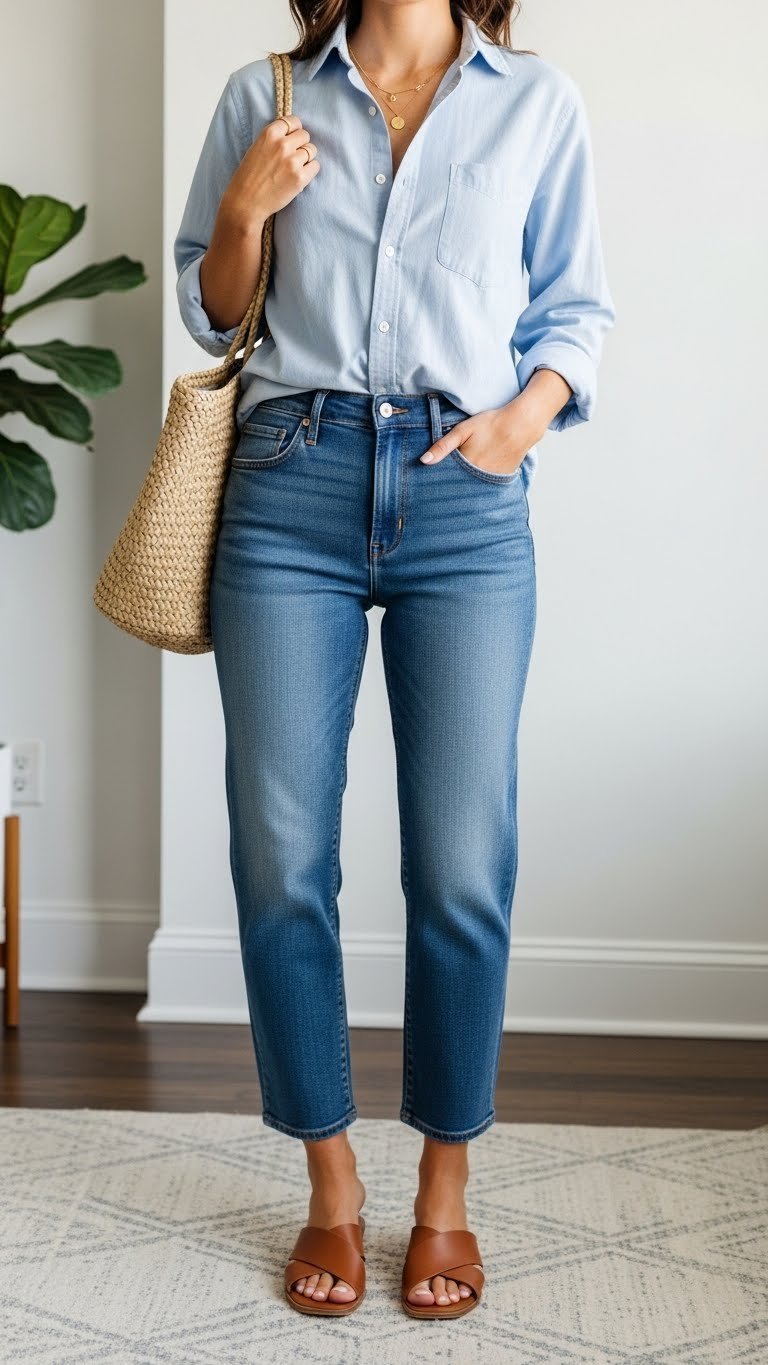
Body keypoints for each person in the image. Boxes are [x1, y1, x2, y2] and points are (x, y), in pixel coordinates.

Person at [174, 0, 616, 1321]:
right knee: (279, 848)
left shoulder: (538, 104)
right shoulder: (265, 94)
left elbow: (576, 306)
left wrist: (515, 424)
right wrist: (251, 213)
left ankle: (443, 1194)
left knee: (465, 857)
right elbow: (213, 306)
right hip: (286, 482)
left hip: (464, 496)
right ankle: (329, 1186)